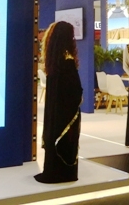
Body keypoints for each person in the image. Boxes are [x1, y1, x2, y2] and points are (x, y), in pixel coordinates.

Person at [35, 21, 83, 184]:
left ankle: (52, 170)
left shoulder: (53, 61)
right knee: (65, 141)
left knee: (54, 138)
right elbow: (75, 89)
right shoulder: (67, 61)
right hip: (67, 113)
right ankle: (64, 174)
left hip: (54, 112)